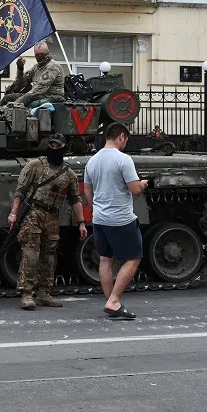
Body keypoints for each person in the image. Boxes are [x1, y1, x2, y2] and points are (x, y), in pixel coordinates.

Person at [9, 134, 87, 310]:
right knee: (31, 253)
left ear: (63, 148)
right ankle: (27, 293)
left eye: (57, 146)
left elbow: (75, 199)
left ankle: (44, 292)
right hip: (33, 213)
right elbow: (20, 191)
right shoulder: (35, 166)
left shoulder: (69, 174)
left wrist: (81, 222)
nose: (53, 148)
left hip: (52, 216)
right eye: (51, 145)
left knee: (48, 256)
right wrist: (14, 213)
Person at [83, 122, 150, 320]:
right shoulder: (123, 159)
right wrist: (143, 184)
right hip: (121, 219)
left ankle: (111, 301)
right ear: (121, 136)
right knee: (133, 257)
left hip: (100, 219)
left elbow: (87, 190)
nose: (125, 144)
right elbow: (135, 189)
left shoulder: (92, 161)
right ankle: (113, 301)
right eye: (125, 140)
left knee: (105, 260)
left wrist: (95, 208)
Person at [0, 42, 65, 108]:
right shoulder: (36, 67)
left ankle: (8, 109)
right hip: (37, 95)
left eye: (42, 54)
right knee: (7, 98)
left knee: (27, 97)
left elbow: (40, 88)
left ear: (48, 52)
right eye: (37, 55)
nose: (40, 57)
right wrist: (20, 68)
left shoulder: (52, 66)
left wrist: (15, 103)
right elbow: (21, 84)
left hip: (52, 95)